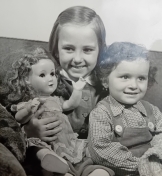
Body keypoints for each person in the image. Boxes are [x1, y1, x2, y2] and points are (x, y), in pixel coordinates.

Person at [20, 6, 114, 176]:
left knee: (101, 172)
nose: (77, 59)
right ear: (56, 49)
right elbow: (17, 116)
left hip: (87, 156)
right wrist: (30, 129)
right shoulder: (44, 80)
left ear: (100, 50)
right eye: (69, 48)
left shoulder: (107, 85)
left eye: (87, 50)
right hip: (52, 152)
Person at [88, 42, 162, 176]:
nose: (134, 85)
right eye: (125, 77)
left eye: (141, 78)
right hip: (120, 171)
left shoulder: (151, 111)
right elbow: (101, 150)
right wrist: (142, 165)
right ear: (105, 80)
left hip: (155, 168)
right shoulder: (102, 113)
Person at [8, 47, 88, 174]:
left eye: (52, 73)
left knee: (76, 151)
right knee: (38, 148)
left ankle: (60, 167)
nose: (50, 78)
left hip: (63, 139)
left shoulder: (56, 100)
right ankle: (49, 161)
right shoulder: (31, 102)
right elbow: (18, 117)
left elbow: (71, 104)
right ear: (27, 80)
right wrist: (29, 109)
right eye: (42, 75)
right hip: (42, 140)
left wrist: (77, 89)